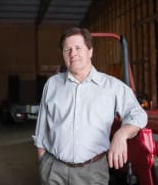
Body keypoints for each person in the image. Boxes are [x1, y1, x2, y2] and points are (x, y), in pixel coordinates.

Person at [33, 27, 147, 185]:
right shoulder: (52, 84)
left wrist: (121, 134)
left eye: (78, 48)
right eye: (68, 49)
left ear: (90, 51)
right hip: (54, 170)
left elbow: (138, 114)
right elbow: (41, 129)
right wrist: (44, 164)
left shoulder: (112, 86)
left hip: (92, 172)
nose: (73, 53)